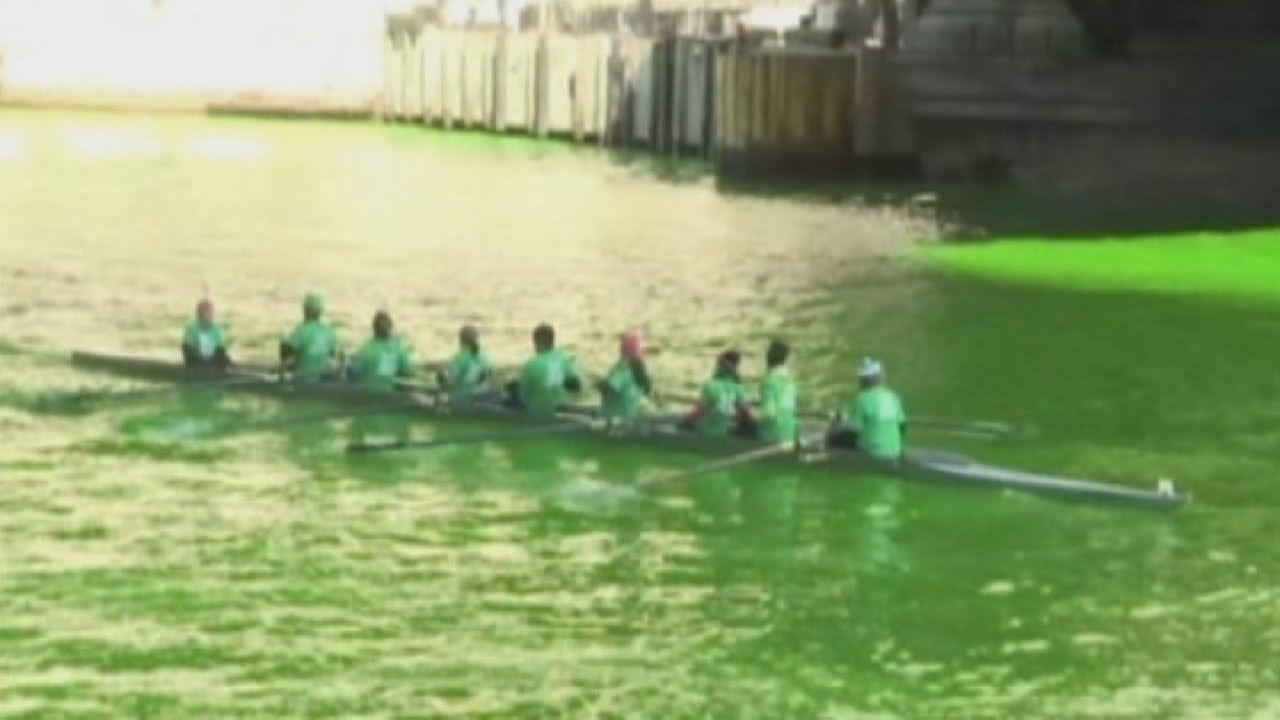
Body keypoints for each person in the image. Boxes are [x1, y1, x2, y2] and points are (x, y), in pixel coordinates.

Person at [827, 357, 907, 460]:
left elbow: (854, 431)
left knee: (836, 433)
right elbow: (902, 428)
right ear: (882, 378)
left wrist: (838, 424)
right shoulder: (893, 397)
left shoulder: (862, 399)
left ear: (862, 381)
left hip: (871, 452)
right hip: (895, 451)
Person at [507, 323, 583, 416]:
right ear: (552, 340)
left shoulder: (532, 365)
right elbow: (576, 386)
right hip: (559, 406)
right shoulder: (564, 359)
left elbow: (523, 394)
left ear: (536, 342)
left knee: (511, 387)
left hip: (538, 411)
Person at [683, 349, 754, 437]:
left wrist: (686, 422)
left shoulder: (710, 386)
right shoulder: (738, 388)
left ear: (720, 367)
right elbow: (745, 414)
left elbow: (698, 413)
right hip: (724, 433)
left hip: (706, 433)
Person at [279, 292, 342, 381]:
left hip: (302, 378)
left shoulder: (301, 331)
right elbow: (336, 355)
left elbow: (288, 349)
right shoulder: (329, 332)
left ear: (305, 310)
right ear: (321, 311)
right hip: (322, 378)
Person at [345, 310, 414, 390]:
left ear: (374, 329)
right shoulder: (399, 349)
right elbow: (408, 372)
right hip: (391, 394)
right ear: (391, 329)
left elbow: (353, 373)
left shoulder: (367, 349)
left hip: (369, 395)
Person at [597, 330, 654, 424]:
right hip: (618, 421)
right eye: (641, 351)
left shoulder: (639, 369)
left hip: (634, 418)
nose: (644, 355)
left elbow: (646, 390)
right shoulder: (623, 369)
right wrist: (602, 385)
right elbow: (610, 387)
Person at [757, 339, 799, 444]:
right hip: (789, 431)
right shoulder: (791, 380)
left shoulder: (769, 380)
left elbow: (769, 413)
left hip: (773, 434)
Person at [438, 324, 494, 399]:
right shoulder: (485, 356)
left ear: (461, 341)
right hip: (484, 394)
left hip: (464, 397)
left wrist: (443, 379)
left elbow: (452, 380)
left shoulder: (460, 358)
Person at [181, 299, 231, 369]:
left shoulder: (216, 330)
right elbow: (187, 350)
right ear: (200, 314)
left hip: (213, 363)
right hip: (196, 363)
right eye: (209, 312)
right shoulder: (192, 329)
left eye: (212, 312)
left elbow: (221, 351)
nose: (212, 315)